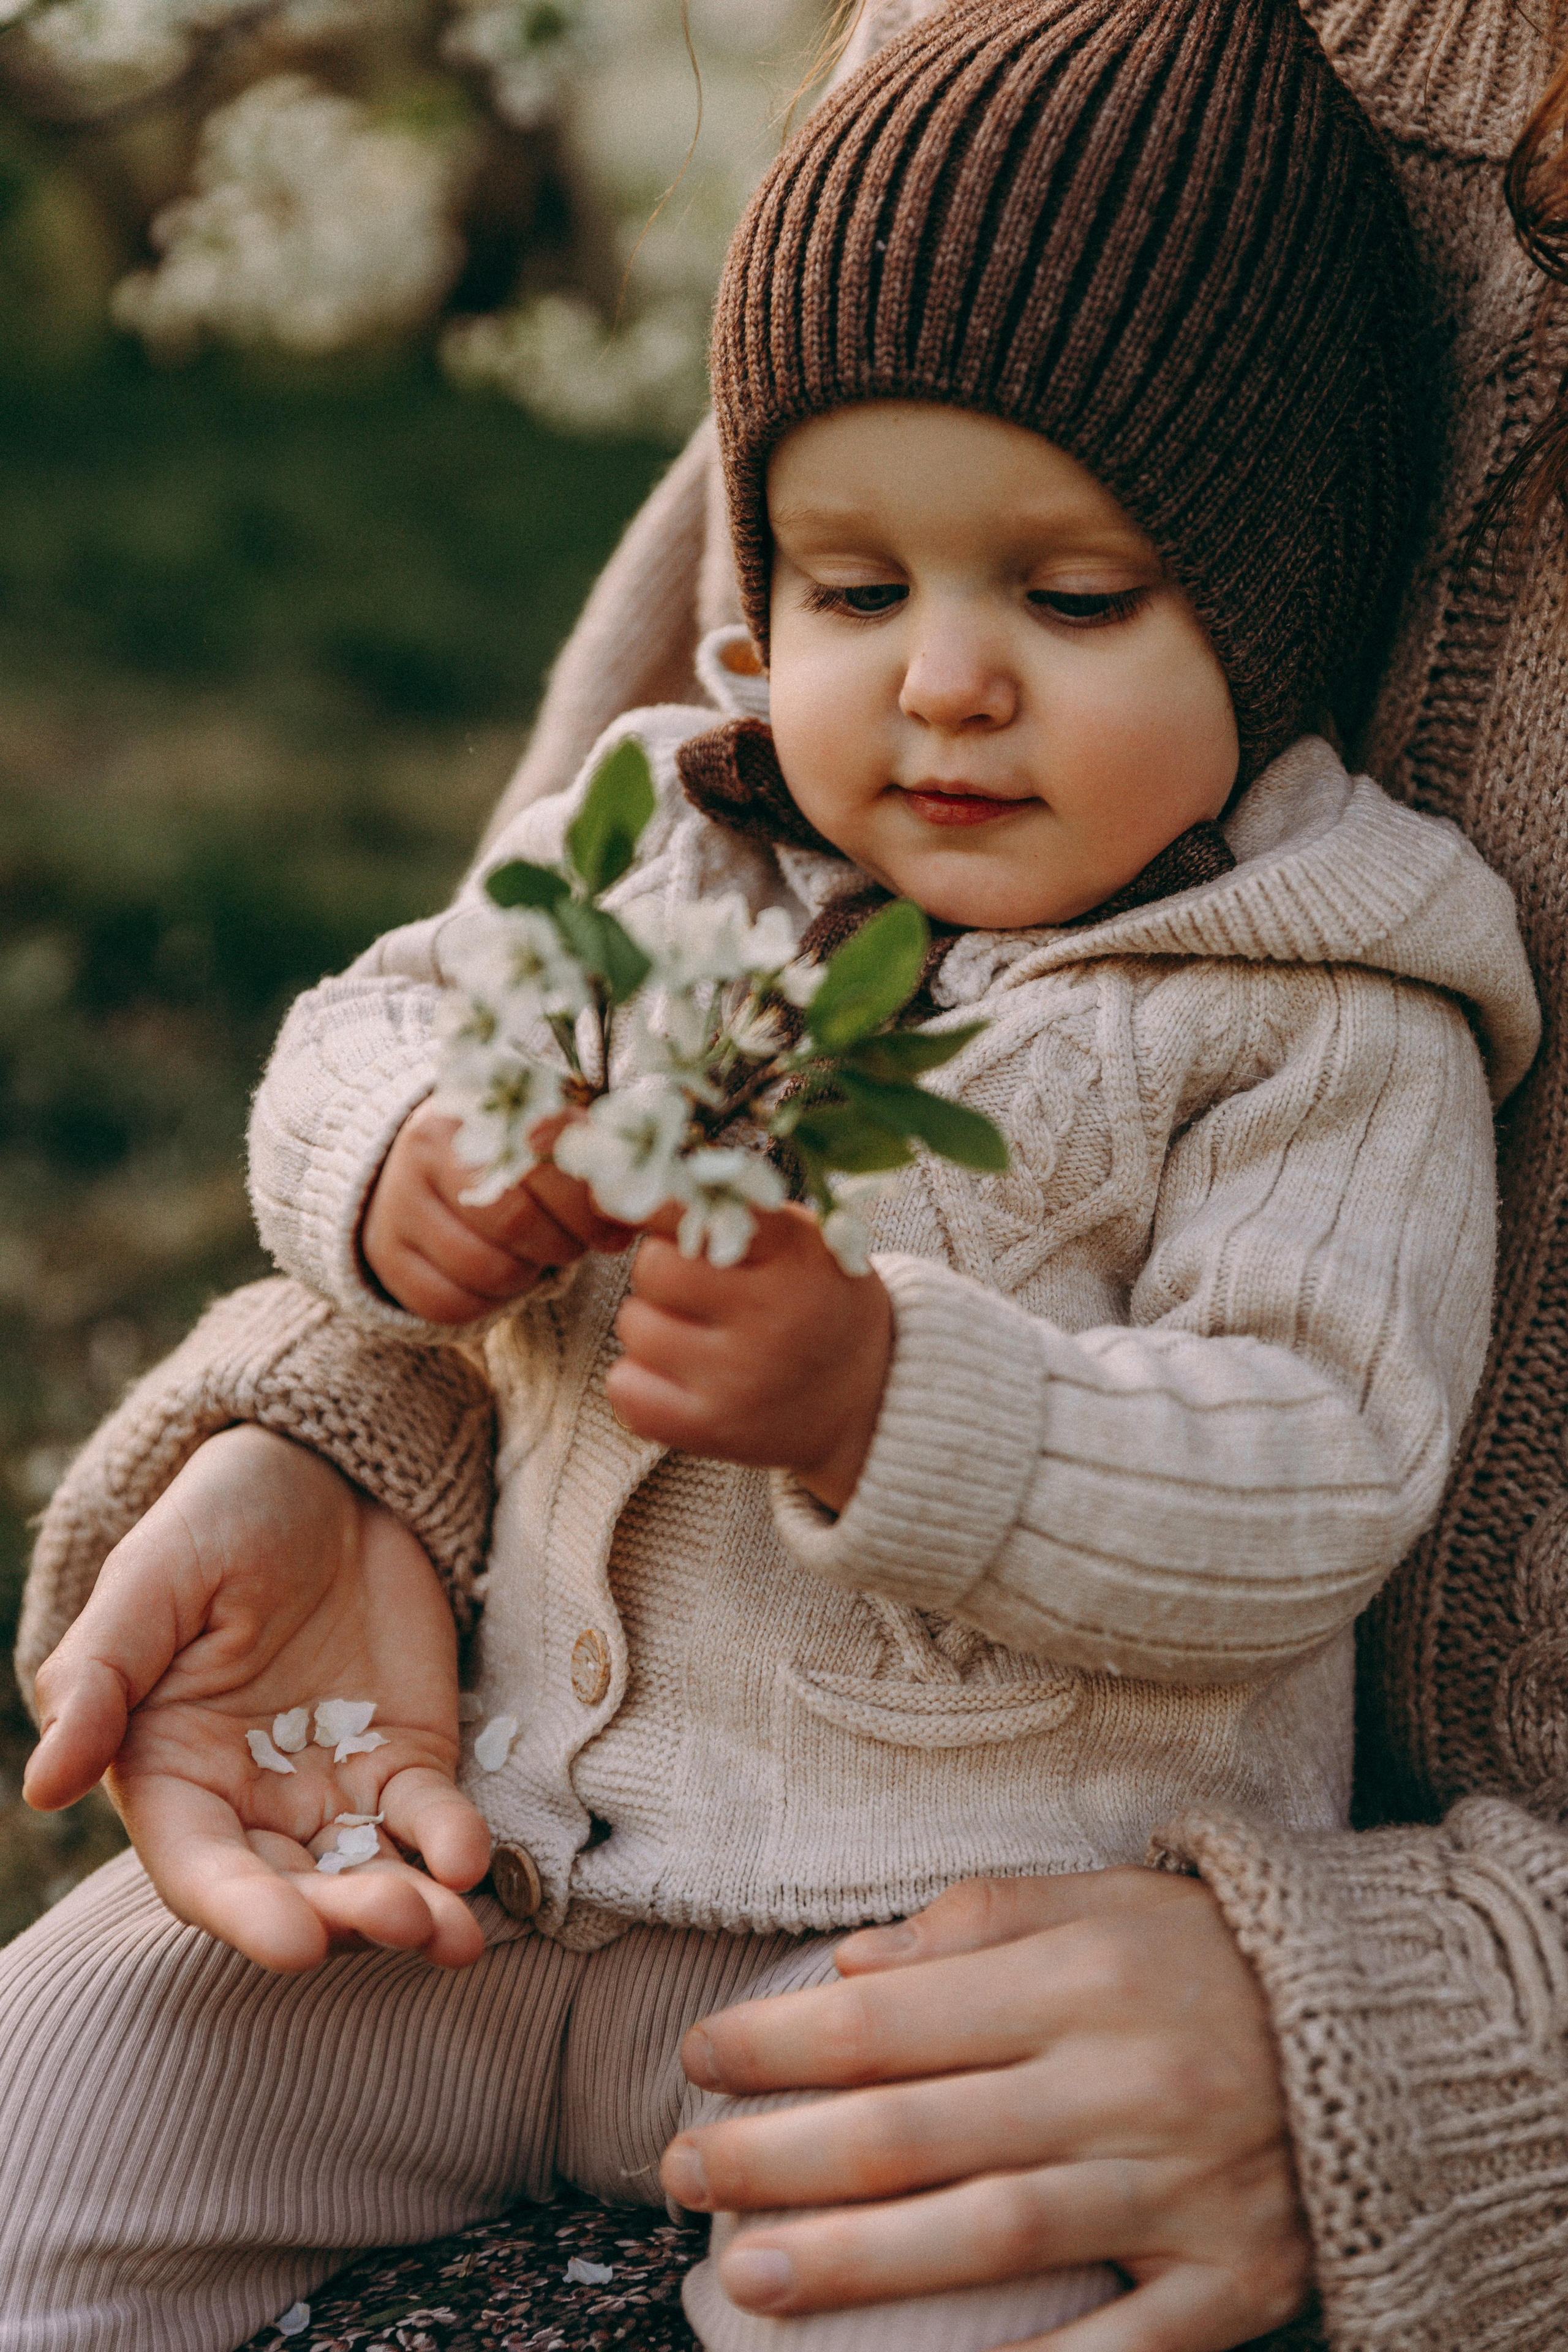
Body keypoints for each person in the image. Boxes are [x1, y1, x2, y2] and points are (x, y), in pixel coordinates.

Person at [10, 12, 1568, 2352]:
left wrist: (888, 1398)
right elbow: (375, 1014)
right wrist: (404, 1190)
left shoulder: (1320, 1013)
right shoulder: (684, 848)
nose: (944, 684)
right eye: (857, 591)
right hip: (494, 1874)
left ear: (1269, 630)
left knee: (970, 2295)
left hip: (959, 1961)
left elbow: (1320, 1455)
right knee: (65, 2099)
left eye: (1072, 599)